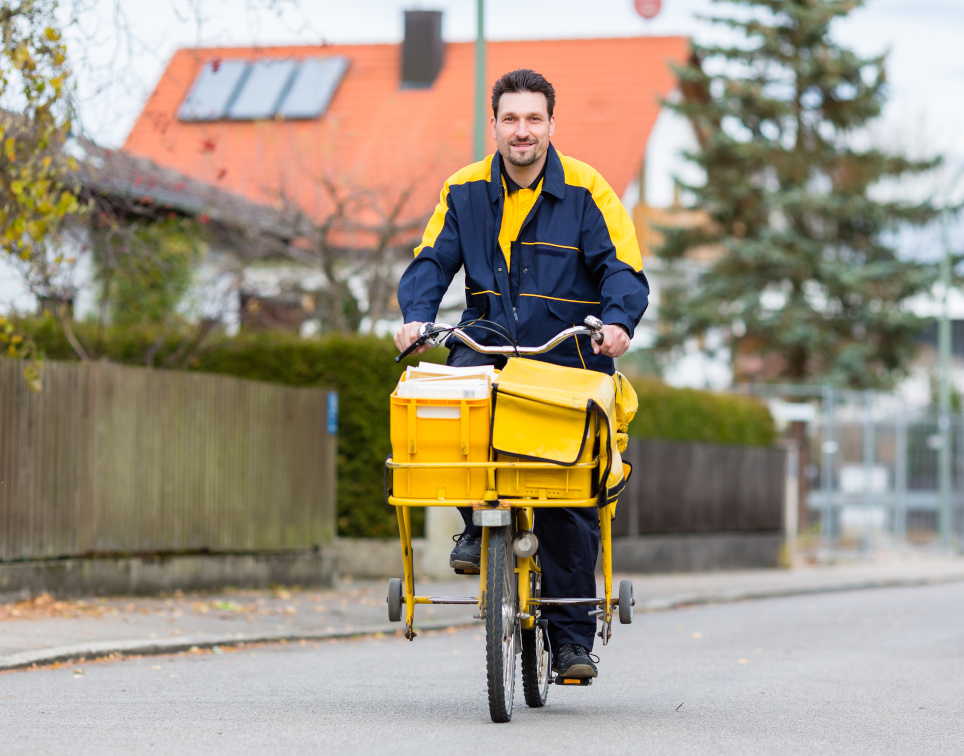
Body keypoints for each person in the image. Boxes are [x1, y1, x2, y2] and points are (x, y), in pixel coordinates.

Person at [394, 69, 649, 679]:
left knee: (570, 498)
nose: (522, 130)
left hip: (567, 356)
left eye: (534, 119)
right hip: (489, 340)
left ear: (551, 125)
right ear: (495, 126)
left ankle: (569, 642)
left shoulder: (588, 190)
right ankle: (473, 527)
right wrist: (415, 319)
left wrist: (617, 325)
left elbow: (623, 269)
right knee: (450, 404)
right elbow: (431, 261)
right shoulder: (465, 190)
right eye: (511, 119)